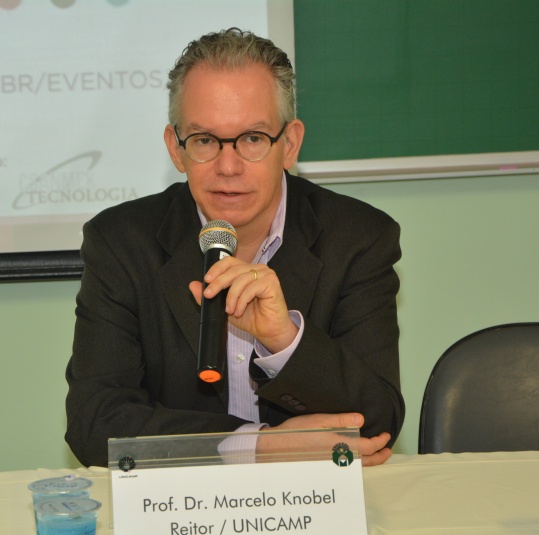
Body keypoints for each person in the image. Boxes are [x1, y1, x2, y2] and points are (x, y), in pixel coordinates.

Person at [65, 28, 404, 468]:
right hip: (182, 509)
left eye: (253, 139)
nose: (228, 166)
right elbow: (95, 424)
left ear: (290, 144)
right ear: (176, 149)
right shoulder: (121, 243)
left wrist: (284, 340)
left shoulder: (358, 238)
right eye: (205, 140)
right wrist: (257, 445)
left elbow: (378, 423)